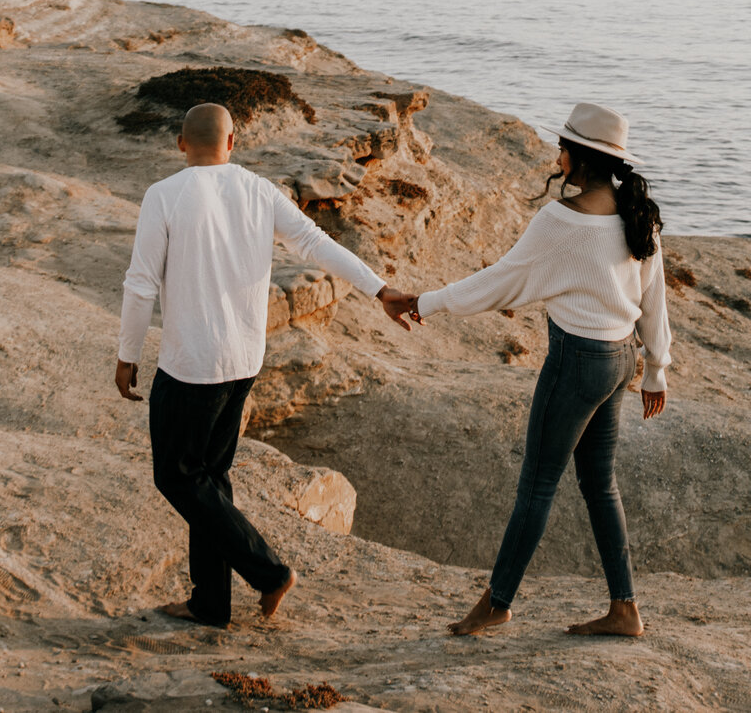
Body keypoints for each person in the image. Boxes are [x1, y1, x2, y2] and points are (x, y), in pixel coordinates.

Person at [116, 100, 418, 627]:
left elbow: (141, 284)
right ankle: (210, 603)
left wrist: (126, 355)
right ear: (232, 144)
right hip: (242, 360)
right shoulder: (258, 190)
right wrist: (381, 288)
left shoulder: (163, 195)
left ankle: (268, 572)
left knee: (177, 478)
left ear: (181, 144)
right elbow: (317, 244)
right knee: (211, 479)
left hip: (191, 365)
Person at [385, 101, 670, 639]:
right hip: (620, 361)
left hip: (578, 361)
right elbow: (653, 296)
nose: (556, 154)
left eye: (562, 146)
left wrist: (425, 301)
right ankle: (625, 609)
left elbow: (500, 281)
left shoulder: (561, 220)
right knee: (599, 484)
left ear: (577, 157)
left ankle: (497, 602)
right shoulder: (640, 210)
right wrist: (657, 368)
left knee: (537, 488)